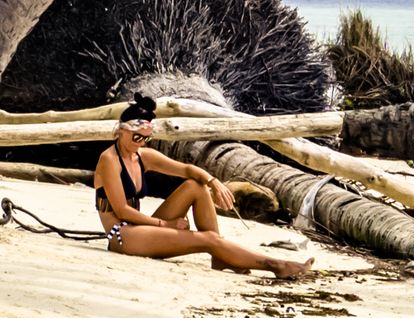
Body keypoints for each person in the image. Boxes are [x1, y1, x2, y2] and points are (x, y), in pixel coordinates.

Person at [93, 114, 312, 281]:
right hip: (122, 236)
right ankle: (275, 266)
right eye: (136, 136)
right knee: (207, 240)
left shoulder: (142, 156)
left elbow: (188, 170)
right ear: (120, 130)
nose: (140, 142)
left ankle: (221, 257)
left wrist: (213, 182)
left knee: (196, 186)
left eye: (145, 138)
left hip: (141, 228)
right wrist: (165, 224)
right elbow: (121, 211)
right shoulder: (109, 160)